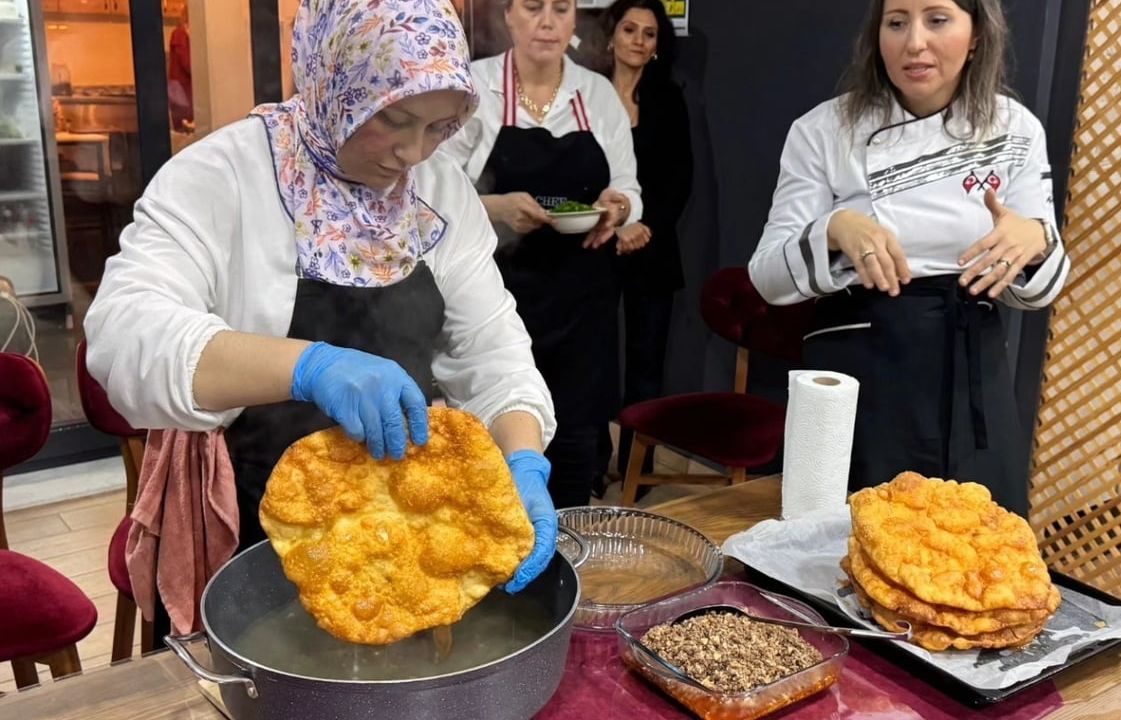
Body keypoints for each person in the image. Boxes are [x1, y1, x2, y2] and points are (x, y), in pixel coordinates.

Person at [85, 0, 557, 593]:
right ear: (335, 81)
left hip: (392, 519)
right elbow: (123, 336)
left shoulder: (440, 193)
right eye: (394, 119)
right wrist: (309, 366)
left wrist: (521, 459)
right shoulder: (223, 175)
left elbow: (492, 349)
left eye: (439, 128)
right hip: (248, 511)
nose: (413, 155)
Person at [748, 0, 1070, 516]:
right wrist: (834, 229)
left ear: (978, 35)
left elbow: (1043, 288)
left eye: (937, 19)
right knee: (850, 545)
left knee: (979, 545)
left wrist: (1034, 239)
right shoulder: (823, 131)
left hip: (970, 369)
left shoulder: (1016, 131)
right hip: (863, 367)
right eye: (896, 22)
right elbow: (766, 277)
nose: (914, 42)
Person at [440, 0, 643, 508]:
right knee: (490, 431)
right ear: (508, 15)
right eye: (533, 7)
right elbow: (430, 192)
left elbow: (628, 187)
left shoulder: (595, 93)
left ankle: (569, 548)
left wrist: (618, 208)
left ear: (575, 20)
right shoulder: (472, 89)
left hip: (583, 297)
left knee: (576, 434)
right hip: (496, 290)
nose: (547, 21)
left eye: (561, 9)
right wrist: (495, 206)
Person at [597, 0, 691, 492]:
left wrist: (642, 225)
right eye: (630, 29)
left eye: (650, 33)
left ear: (658, 46)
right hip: (593, 246)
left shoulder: (668, 99)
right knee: (590, 359)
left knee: (645, 366)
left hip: (652, 250)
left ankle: (638, 472)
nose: (639, 40)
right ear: (611, 36)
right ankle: (591, 460)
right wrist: (611, 226)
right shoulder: (583, 94)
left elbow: (679, 180)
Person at [167, 6, 193, 132]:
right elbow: (187, 63)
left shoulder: (180, 34)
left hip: (182, 90)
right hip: (181, 90)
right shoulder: (179, 34)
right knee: (184, 129)